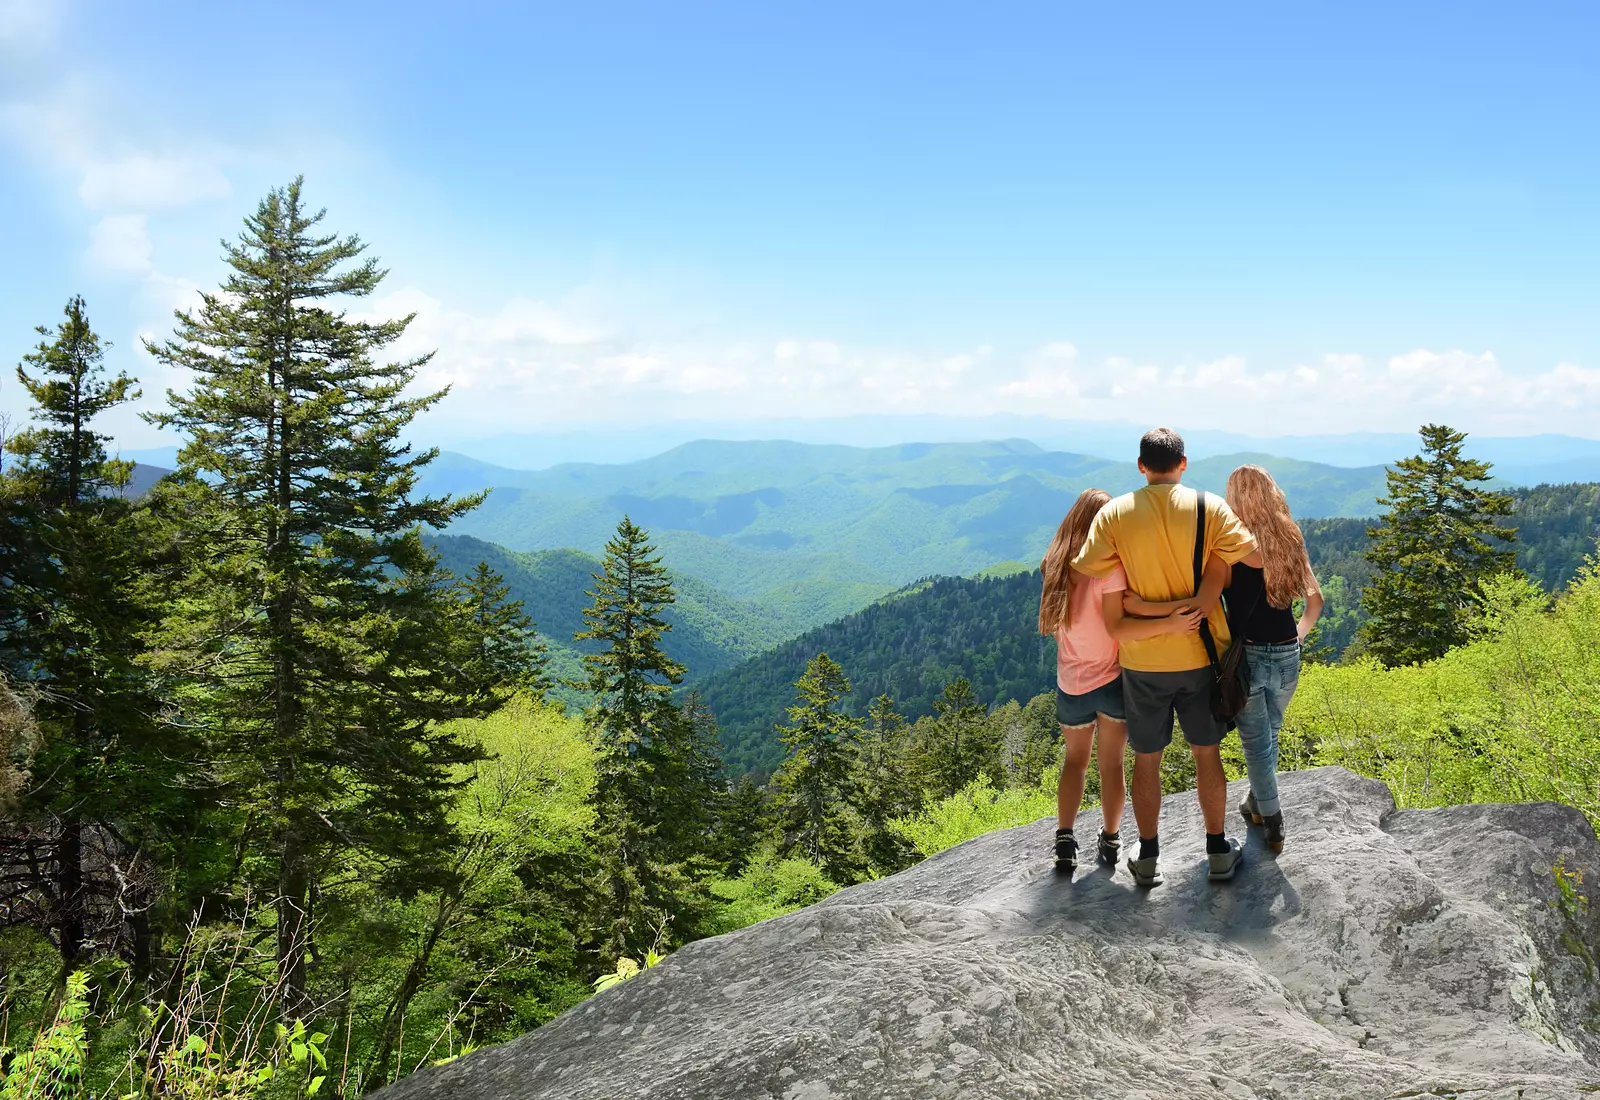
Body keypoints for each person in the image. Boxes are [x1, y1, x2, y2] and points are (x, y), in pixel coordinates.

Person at [1071, 428, 1260, 888]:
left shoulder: (1115, 514)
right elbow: (1253, 557)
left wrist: (1137, 597)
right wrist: (1214, 564)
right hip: (1201, 655)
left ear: (1141, 466)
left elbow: (1085, 567)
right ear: (1184, 463)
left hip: (1142, 660)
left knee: (1147, 760)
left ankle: (1149, 855)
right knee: (1207, 753)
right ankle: (1217, 850)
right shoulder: (1209, 507)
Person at [1038, 489, 1204, 875]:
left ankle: (1064, 840)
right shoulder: (1110, 569)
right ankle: (1111, 839)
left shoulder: (1054, 566)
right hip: (1113, 679)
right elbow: (1126, 617)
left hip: (1071, 682)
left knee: (1074, 762)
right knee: (1110, 764)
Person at [1219, 464, 1322, 850]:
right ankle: (1255, 802)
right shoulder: (1290, 538)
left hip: (1249, 657)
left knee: (1257, 744)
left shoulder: (1231, 545)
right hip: (1287, 655)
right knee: (1270, 736)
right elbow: (1315, 601)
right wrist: (1296, 637)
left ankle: (1274, 820)